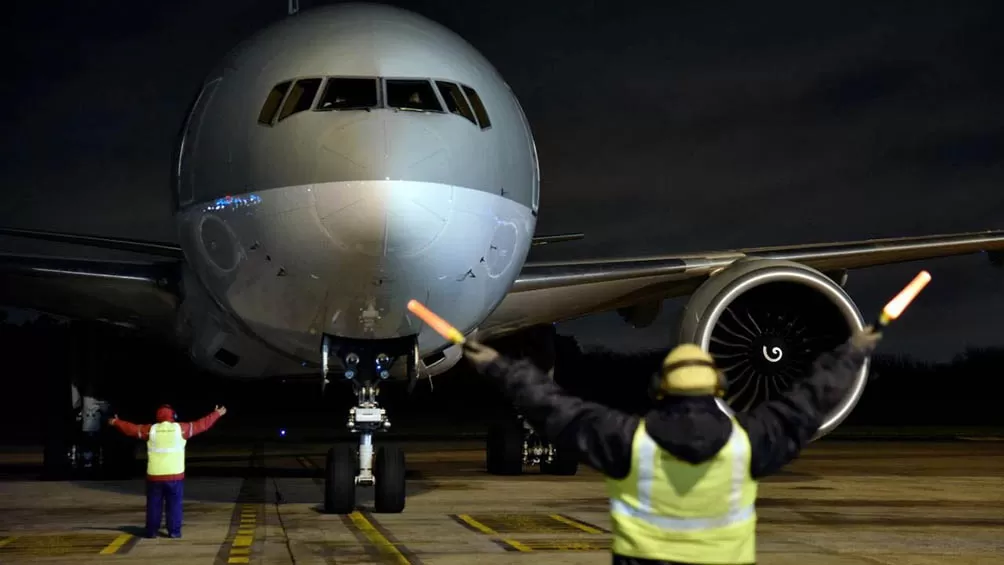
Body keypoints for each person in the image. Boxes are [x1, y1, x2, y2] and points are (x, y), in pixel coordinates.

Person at [462, 326, 883, 565]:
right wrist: (853, 353)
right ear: (719, 387)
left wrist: (498, 367)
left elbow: (553, 405)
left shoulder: (628, 440)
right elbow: (808, 401)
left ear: (659, 388)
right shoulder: (748, 443)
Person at [108, 404, 227, 538]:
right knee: (174, 505)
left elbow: (131, 429)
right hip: (175, 476)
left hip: (155, 476)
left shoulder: (150, 430)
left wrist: (116, 422)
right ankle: (174, 532)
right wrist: (216, 414)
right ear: (173, 416)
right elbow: (202, 425)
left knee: (153, 505)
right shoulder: (181, 429)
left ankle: (152, 531)